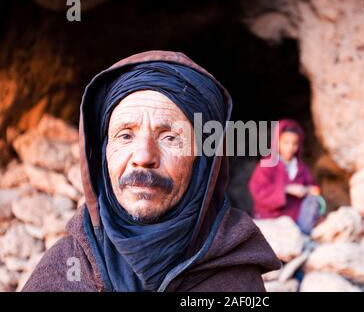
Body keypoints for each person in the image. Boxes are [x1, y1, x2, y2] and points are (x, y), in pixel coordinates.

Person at [23, 50, 280, 292]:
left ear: (203, 162)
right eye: (125, 136)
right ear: (103, 157)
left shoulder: (233, 277)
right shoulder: (65, 268)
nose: (144, 157)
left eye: (170, 138)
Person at [248, 119, 321, 232]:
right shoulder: (267, 165)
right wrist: (286, 189)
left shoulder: (301, 167)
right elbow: (258, 191)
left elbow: (314, 189)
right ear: (277, 142)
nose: (290, 148)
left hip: (297, 220)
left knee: (313, 201)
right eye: (286, 142)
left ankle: (305, 232)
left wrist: (306, 189)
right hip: (271, 218)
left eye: (294, 143)